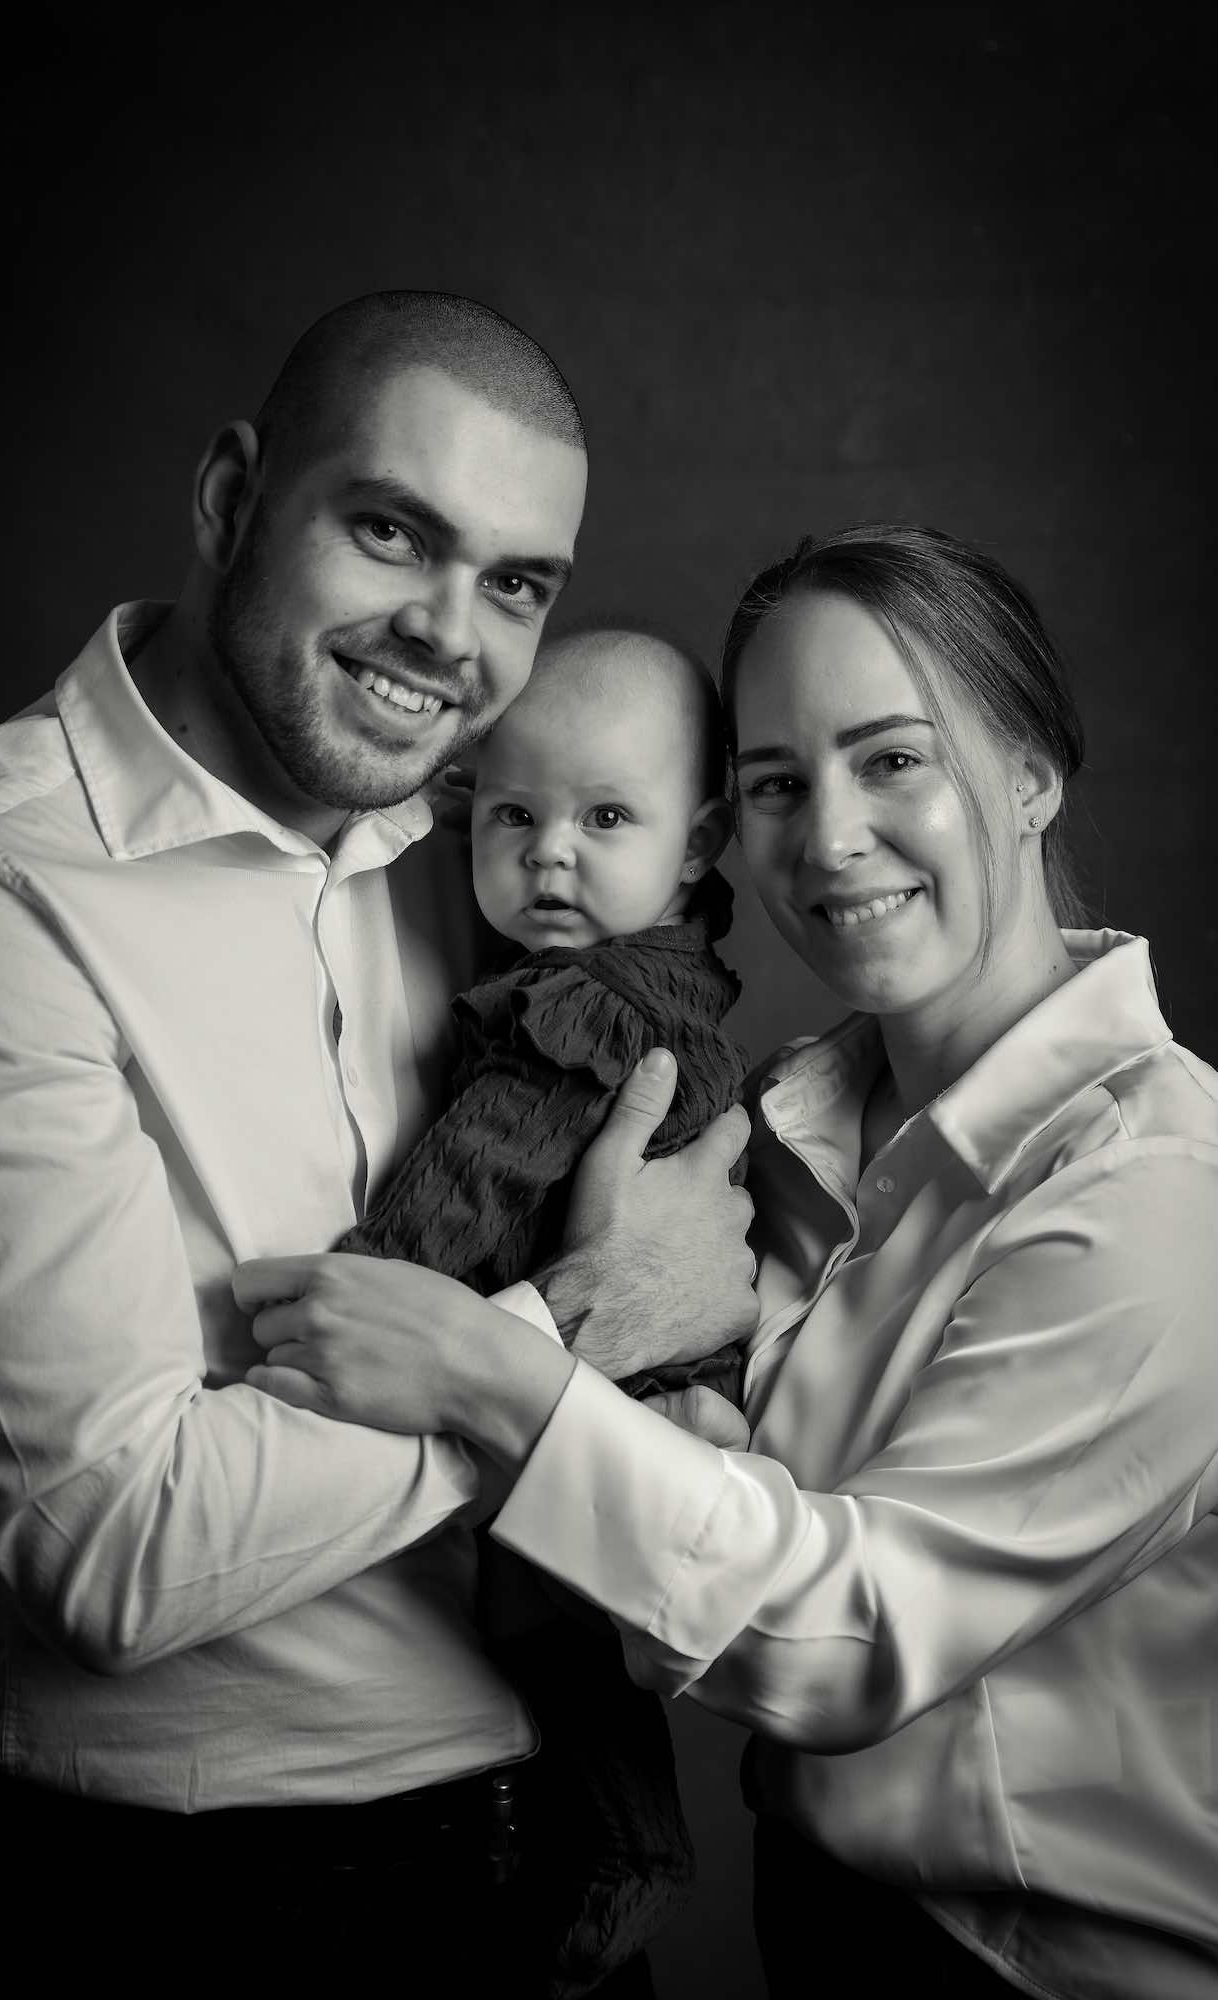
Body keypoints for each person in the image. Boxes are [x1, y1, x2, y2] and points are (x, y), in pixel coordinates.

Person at [0, 291, 757, 1994]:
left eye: (517, 584)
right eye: (390, 531)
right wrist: (571, 1333)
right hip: (191, 1908)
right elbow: (106, 1554)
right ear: (232, 500)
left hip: (555, 1851)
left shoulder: (483, 844)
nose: (448, 635)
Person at [238, 524, 1218, 1999]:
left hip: (1049, 1973)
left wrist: (496, 1371)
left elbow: (843, 1640)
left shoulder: (1158, 1189)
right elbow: (711, 1534)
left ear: (1030, 775)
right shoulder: (772, 1135)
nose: (828, 839)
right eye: (776, 783)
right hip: (820, 1925)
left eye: (894, 761)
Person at [334, 624, 752, 1988]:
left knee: (557, 1651)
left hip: (612, 1386)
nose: (550, 854)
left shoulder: (586, 1012)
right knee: (569, 1662)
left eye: (605, 819)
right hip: (639, 1376)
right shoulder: (658, 969)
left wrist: (372, 1281)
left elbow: (478, 1174)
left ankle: (629, 1861)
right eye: (515, 815)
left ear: (696, 844)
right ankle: (630, 1854)